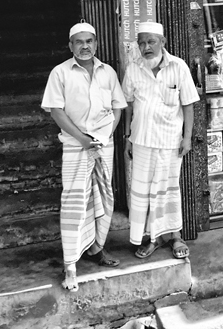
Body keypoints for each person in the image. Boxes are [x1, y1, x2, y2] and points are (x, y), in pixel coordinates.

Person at [41, 21, 128, 292]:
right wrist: (83, 139)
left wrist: (103, 137)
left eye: (89, 41)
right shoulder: (60, 73)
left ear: (96, 44)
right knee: (74, 204)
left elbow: (118, 108)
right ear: (70, 46)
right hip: (75, 146)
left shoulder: (108, 73)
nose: (85, 46)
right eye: (79, 42)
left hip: (103, 146)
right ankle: (70, 267)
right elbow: (56, 111)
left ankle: (97, 249)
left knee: (104, 197)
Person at [122, 22, 199, 260]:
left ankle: (175, 236)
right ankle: (152, 238)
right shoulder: (133, 69)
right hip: (142, 140)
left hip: (169, 141)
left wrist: (187, 138)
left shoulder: (178, 67)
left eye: (151, 42)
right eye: (142, 42)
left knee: (168, 190)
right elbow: (128, 105)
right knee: (144, 191)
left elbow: (188, 104)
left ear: (162, 42)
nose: (146, 47)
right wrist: (127, 138)